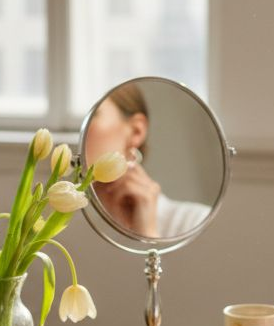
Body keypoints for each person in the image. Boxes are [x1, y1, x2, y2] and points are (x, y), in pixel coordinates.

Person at [83, 82, 210, 239]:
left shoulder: (195, 222)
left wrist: (147, 234)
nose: (80, 130)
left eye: (92, 115)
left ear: (136, 131)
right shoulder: (60, 221)